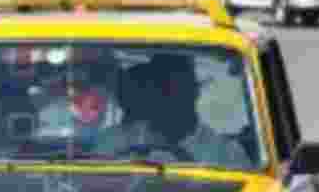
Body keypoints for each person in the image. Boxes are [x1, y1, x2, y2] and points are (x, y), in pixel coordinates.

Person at [92, 53, 249, 167]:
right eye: (163, 87)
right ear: (150, 92)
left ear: (195, 92)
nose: (171, 97)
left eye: (180, 88)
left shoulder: (225, 154)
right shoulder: (113, 143)